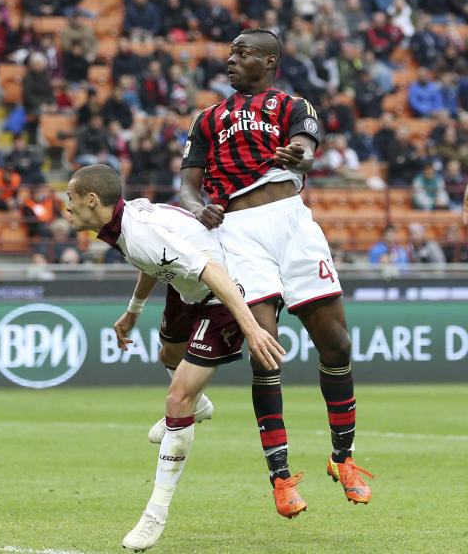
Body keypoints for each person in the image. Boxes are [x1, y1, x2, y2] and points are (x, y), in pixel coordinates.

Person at [179, 28, 373, 517]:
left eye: (242, 53)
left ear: (268, 61)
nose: (231, 59)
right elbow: (187, 186)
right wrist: (197, 208)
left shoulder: (292, 105)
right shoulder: (206, 119)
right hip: (238, 233)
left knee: (338, 345)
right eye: (230, 53)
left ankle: (343, 459)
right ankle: (281, 478)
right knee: (265, 349)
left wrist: (298, 155)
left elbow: (306, 147)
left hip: (292, 222)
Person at [65, 164, 285, 551]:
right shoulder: (124, 225)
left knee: (175, 400)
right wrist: (134, 309)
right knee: (168, 351)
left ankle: (155, 514)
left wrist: (250, 327)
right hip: (186, 289)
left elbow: (211, 269)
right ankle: (195, 406)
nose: (66, 206)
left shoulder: (138, 232)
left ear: (92, 200)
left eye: (70, 198)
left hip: (224, 295)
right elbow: (154, 261)